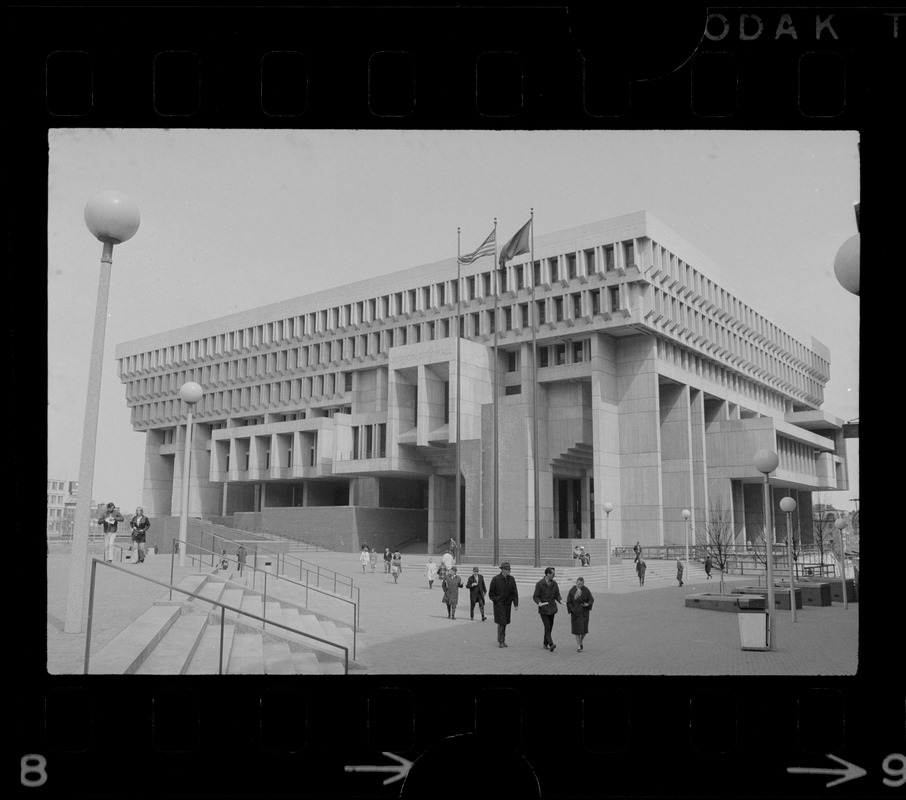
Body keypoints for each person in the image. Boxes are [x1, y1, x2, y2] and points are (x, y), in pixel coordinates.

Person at [488, 562, 519, 647]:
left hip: (507, 604)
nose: (509, 571)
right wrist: (496, 600)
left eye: (509, 569)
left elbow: (514, 592)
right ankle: (501, 641)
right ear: (503, 570)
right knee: (501, 622)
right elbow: (491, 593)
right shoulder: (496, 579)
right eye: (507, 570)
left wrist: (515, 603)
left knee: (505, 622)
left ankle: (502, 639)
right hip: (499, 604)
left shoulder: (511, 579)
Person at [532, 567, 562, 652]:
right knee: (547, 625)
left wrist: (560, 600)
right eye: (553, 574)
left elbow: (557, 595)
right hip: (544, 608)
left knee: (550, 626)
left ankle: (545, 643)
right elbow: (536, 596)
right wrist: (539, 602)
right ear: (548, 574)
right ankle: (551, 644)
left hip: (552, 608)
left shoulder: (554, 584)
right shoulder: (540, 584)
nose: (554, 576)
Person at [566, 576, 595, 651]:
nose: (580, 586)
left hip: (584, 612)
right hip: (575, 613)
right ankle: (578, 645)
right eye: (578, 584)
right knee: (577, 630)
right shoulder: (572, 591)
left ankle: (581, 641)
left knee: (584, 630)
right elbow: (569, 602)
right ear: (576, 583)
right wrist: (572, 610)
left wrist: (588, 604)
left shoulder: (586, 590)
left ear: (583, 584)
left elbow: (591, 599)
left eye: (581, 584)